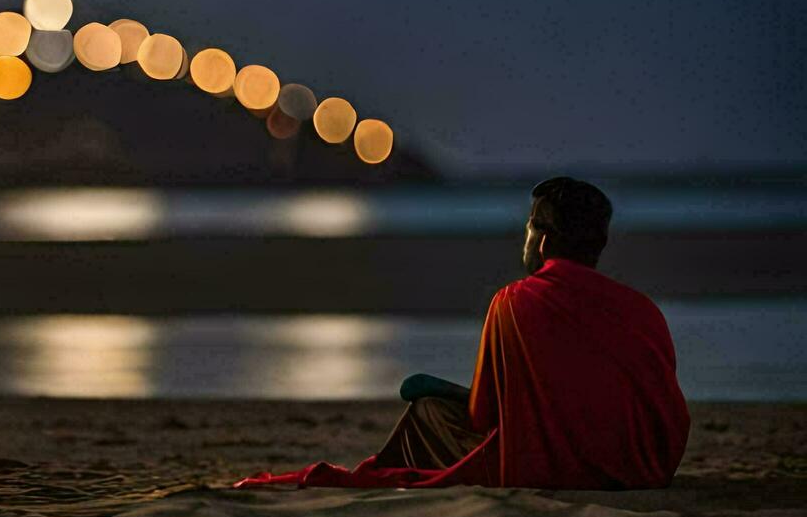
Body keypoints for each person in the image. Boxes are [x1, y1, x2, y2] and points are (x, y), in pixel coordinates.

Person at [236, 177, 691, 490]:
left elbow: (484, 415)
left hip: (561, 469)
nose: (526, 239)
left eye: (529, 227)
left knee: (428, 410)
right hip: (645, 466)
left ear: (545, 240)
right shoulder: (643, 309)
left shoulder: (515, 302)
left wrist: (440, 393)